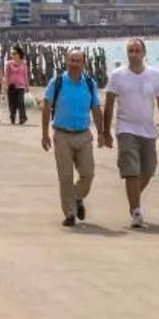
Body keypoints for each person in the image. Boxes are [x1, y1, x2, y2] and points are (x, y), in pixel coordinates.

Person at [102, 38, 159, 228]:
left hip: (148, 129)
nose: (133, 54)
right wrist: (106, 131)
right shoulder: (118, 75)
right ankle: (136, 211)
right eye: (130, 51)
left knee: (148, 169)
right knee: (131, 169)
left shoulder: (155, 75)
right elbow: (109, 103)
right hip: (125, 128)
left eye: (137, 51)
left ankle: (132, 196)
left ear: (144, 53)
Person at [42, 47, 101, 227]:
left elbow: (96, 108)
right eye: (71, 60)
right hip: (62, 135)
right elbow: (46, 107)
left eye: (78, 61)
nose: (74, 64)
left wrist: (102, 132)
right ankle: (69, 213)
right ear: (67, 61)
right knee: (65, 177)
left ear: (84, 63)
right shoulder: (57, 82)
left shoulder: (89, 83)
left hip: (83, 134)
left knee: (88, 174)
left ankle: (76, 197)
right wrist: (44, 134)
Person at [6, 46, 30, 124]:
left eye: (15, 53)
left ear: (19, 54)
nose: (13, 55)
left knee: (21, 102)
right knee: (12, 103)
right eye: (12, 53)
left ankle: (22, 118)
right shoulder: (9, 63)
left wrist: (27, 86)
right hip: (11, 85)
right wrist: (5, 85)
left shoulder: (24, 63)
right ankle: (12, 117)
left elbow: (25, 75)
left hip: (21, 86)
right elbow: (6, 75)